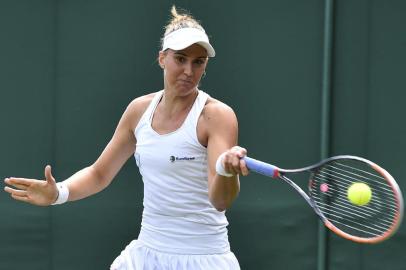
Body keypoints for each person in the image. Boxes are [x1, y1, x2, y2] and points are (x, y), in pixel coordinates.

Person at [4, 6, 248, 270]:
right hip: (146, 256)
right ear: (162, 59)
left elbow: (221, 200)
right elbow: (100, 174)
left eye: (198, 62)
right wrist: (58, 193)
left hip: (204, 258)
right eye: (180, 58)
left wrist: (226, 171)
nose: (189, 70)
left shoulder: (217, 116)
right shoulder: (138, 111)